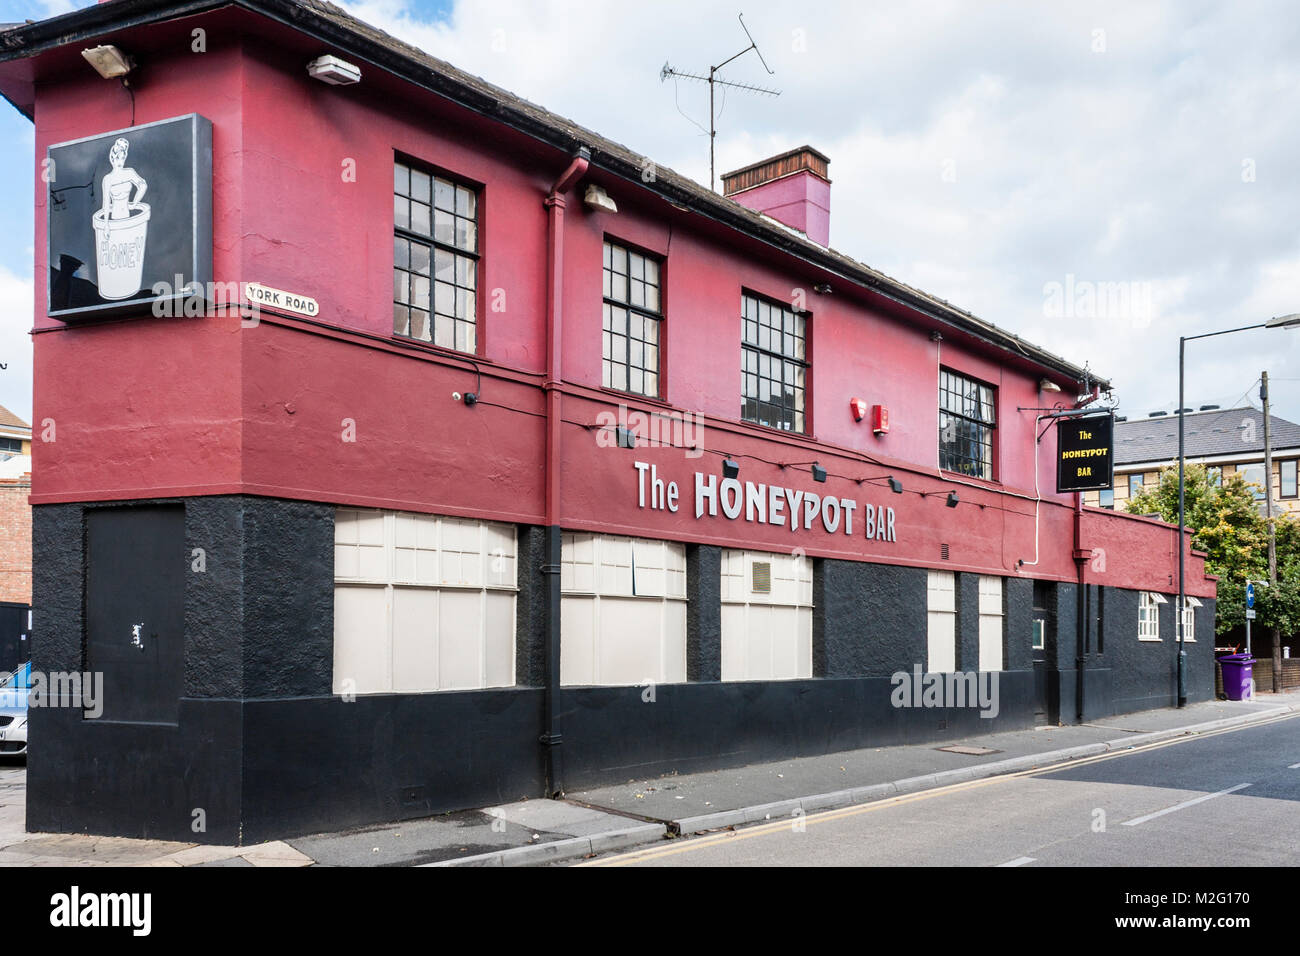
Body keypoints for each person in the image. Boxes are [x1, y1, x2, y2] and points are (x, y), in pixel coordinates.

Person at [100, 137, 147, 221]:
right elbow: (106, 204)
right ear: (112, 157)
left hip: (128, 217)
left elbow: (143, 185)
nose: (120, 162)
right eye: (117, 158)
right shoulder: (108, 179)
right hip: (115, 218)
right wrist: (106, 225)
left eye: (122, 158)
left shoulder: (129, 172)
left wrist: (134, 203)